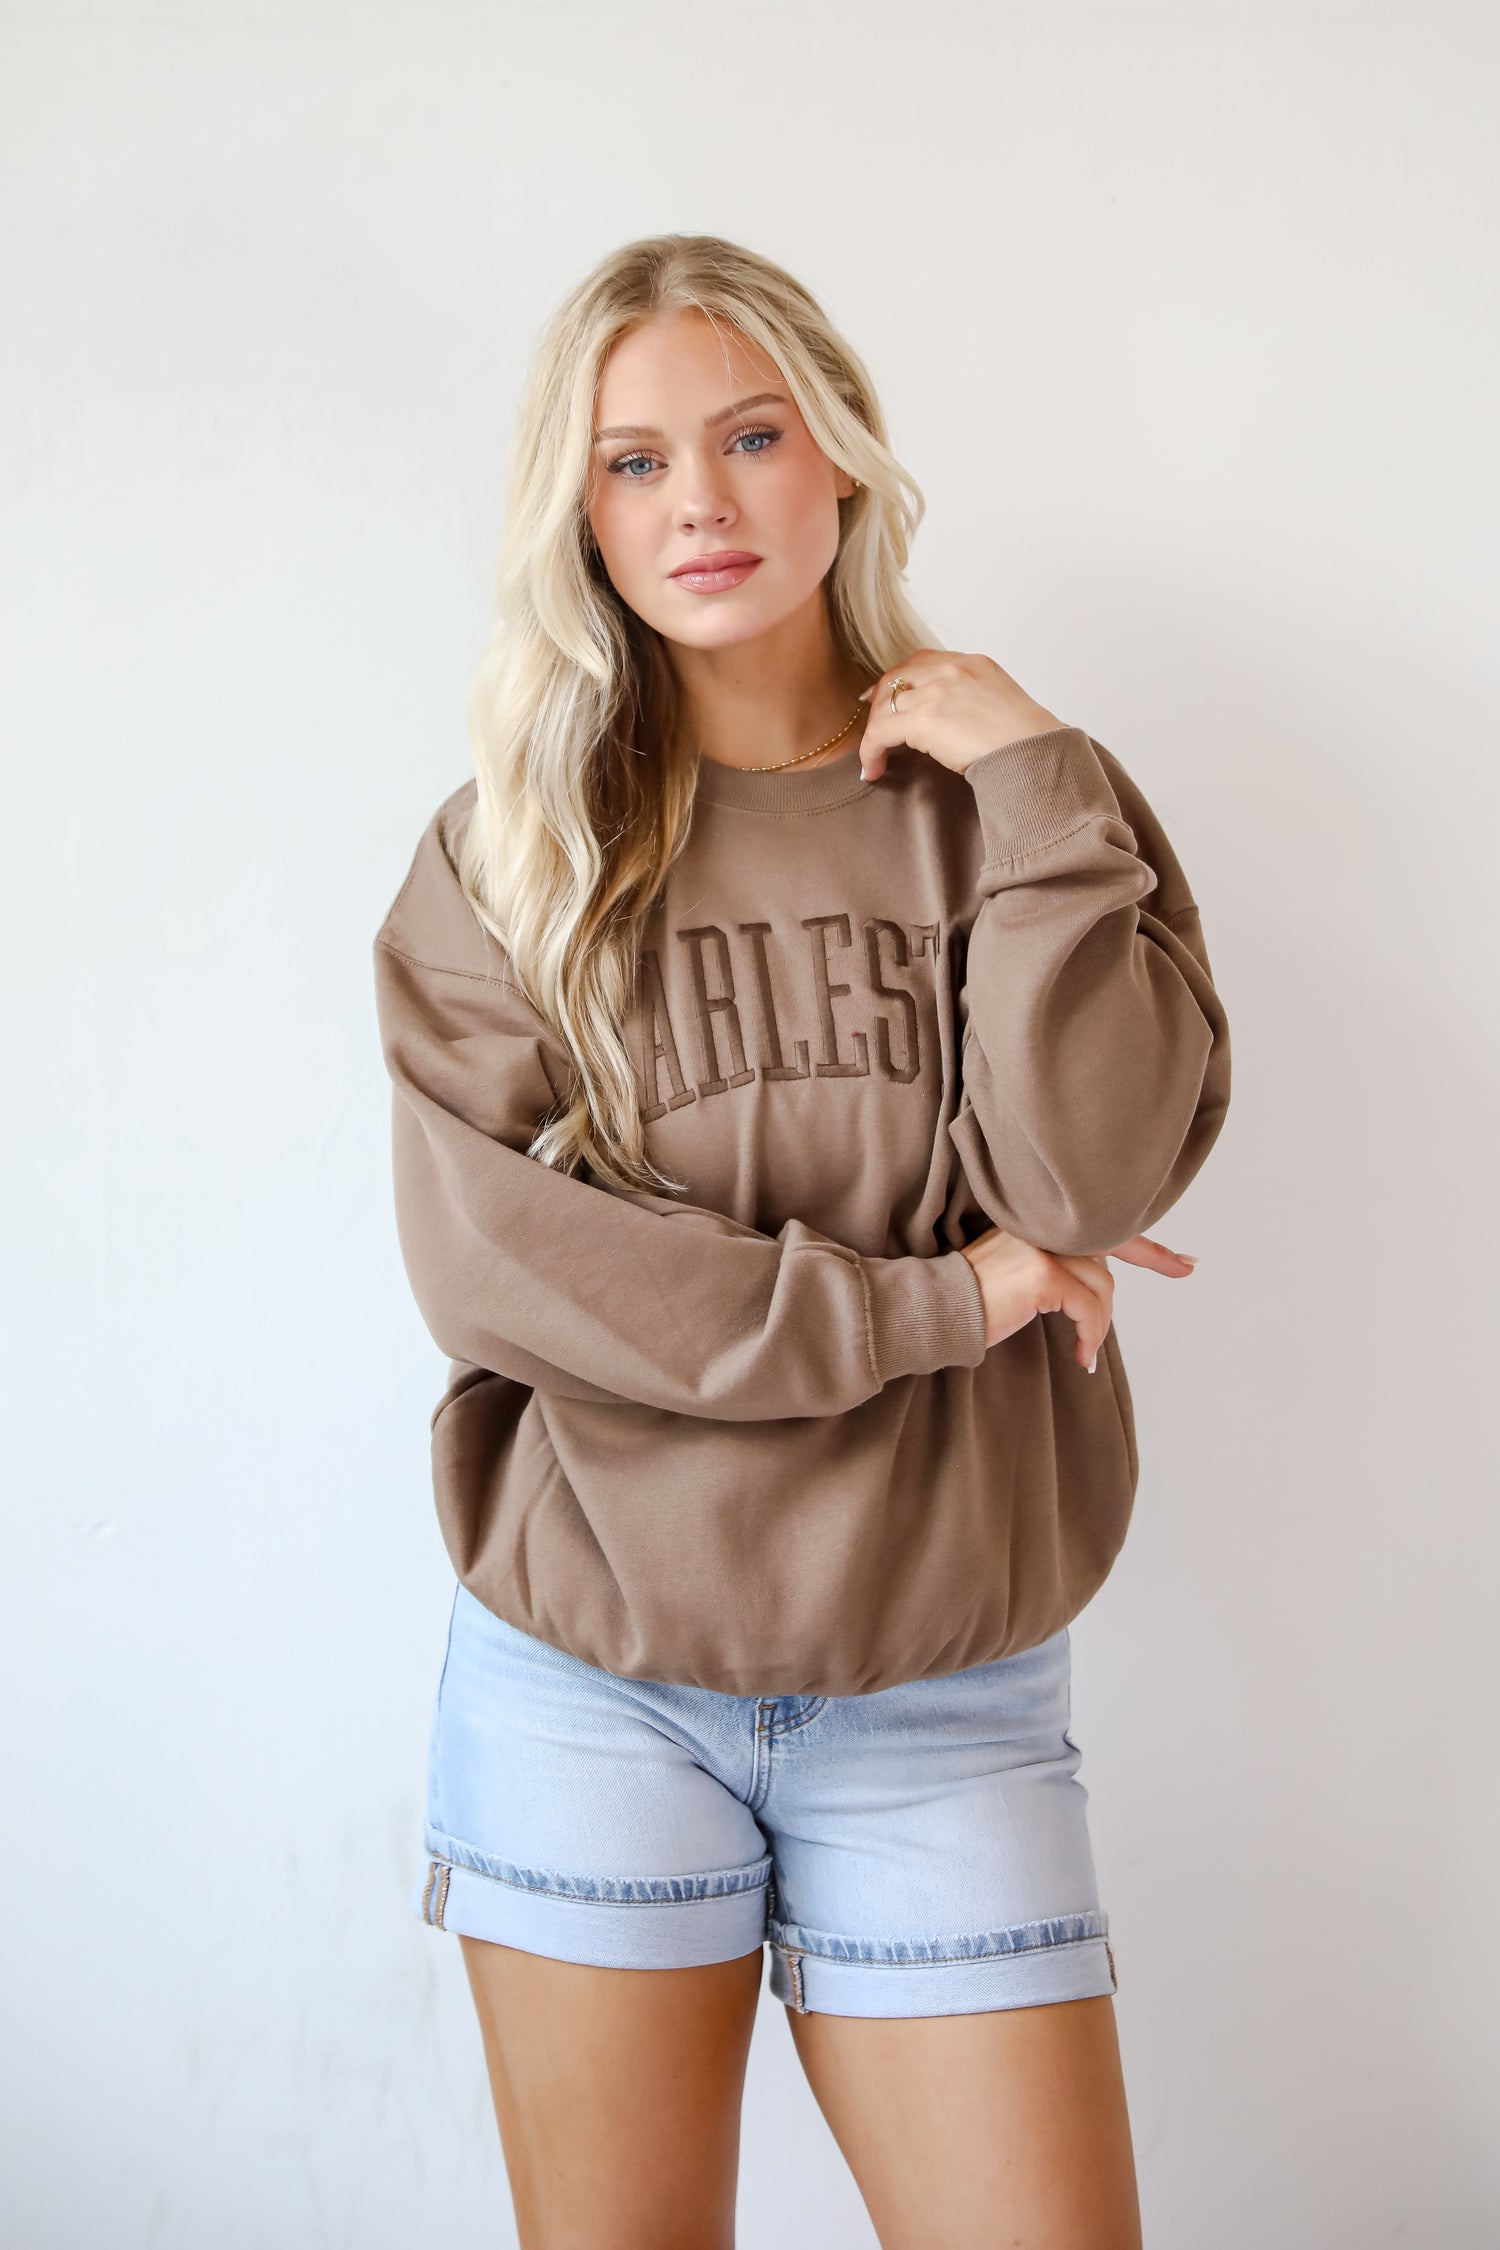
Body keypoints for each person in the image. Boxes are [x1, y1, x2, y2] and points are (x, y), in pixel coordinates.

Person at [372, 232, 1231, 2250]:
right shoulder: (516, 850)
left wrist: (1039, 784)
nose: (703, 501)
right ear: (581, 515)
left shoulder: (1018, 805)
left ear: (841, 453)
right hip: (595, 1679)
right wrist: (937, 1303)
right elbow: (512, 1271)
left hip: (943, 1685)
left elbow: (1092, 1180)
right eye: (636, 461)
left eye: (752, 437)